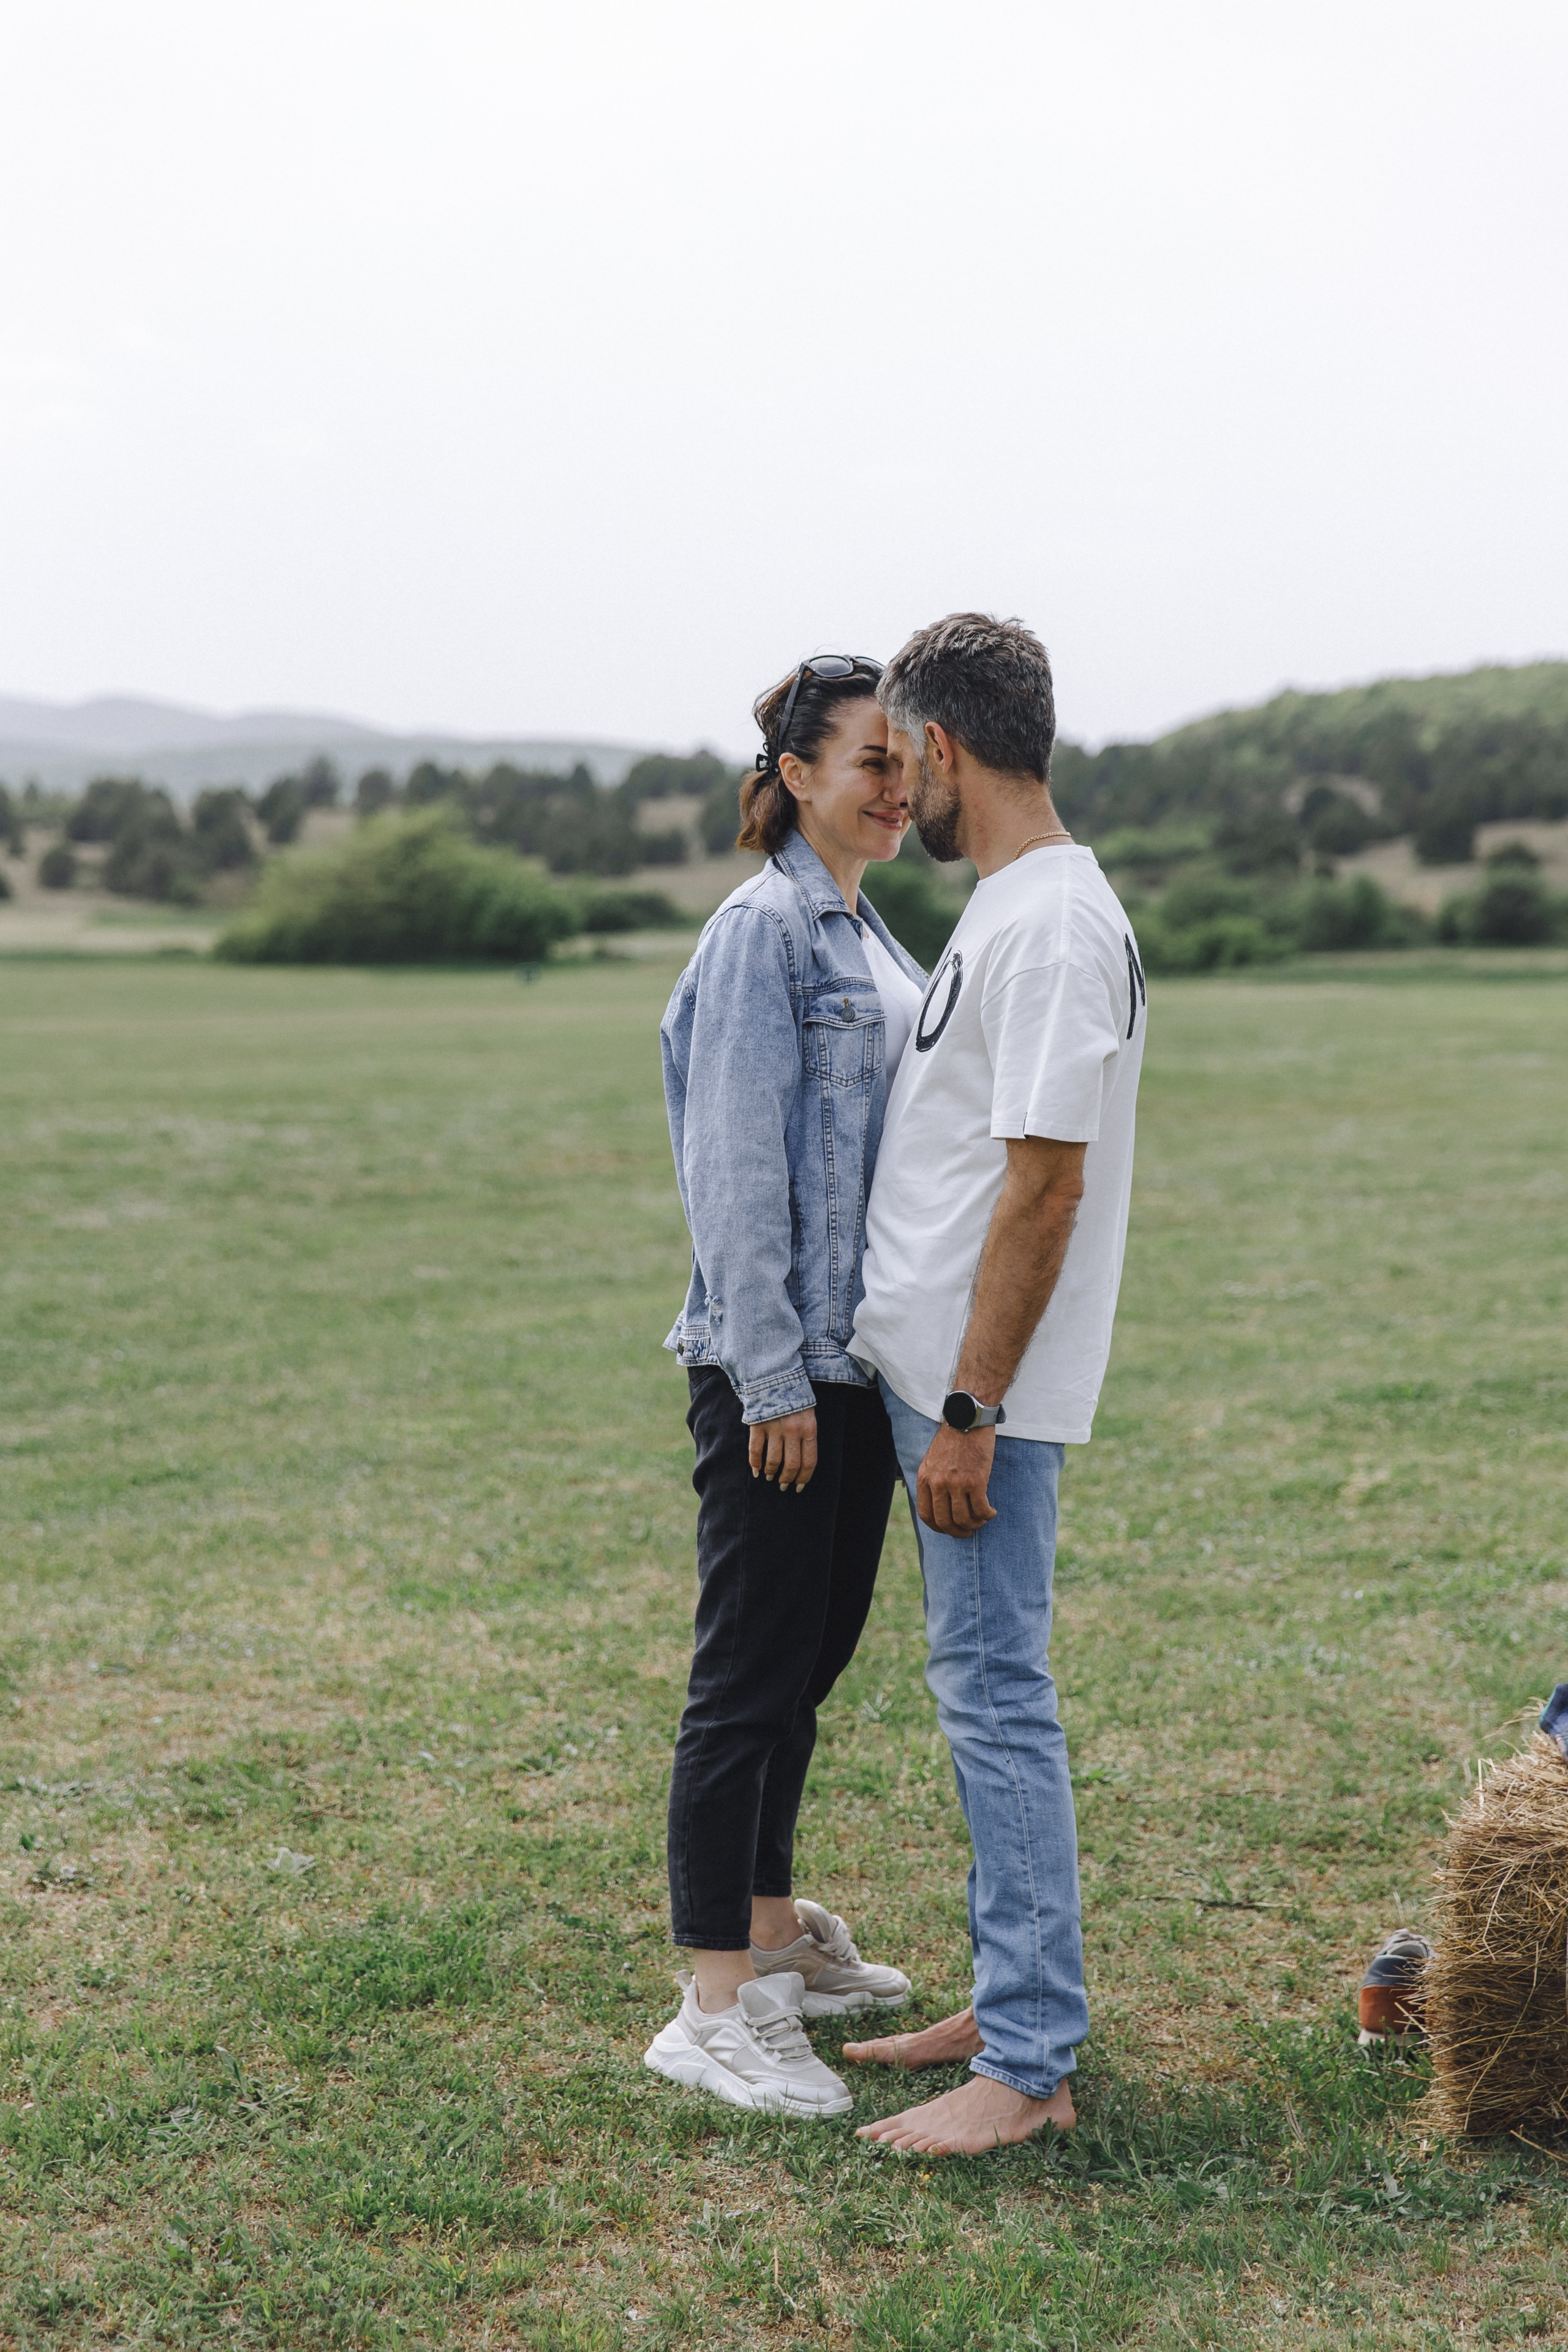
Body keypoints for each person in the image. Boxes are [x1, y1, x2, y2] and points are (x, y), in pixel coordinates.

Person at [841, 613, 1147, 2156]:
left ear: (946, 746)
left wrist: (969, 1412)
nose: (900, 789)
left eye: (904, 758)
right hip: (934, 1377)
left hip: (977, 1402)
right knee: (976, 1691)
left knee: (993, 1697)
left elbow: (1043, 1186)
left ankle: (1027, 2063)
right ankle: (1001, 1999)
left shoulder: (1052, 927)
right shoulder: (1011, 907)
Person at [644, 654, 930, 2119]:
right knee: (745, 1679)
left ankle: (768, 1935)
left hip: (854, 1365)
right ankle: (710, 2007)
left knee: (803, 1663)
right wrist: (769, 1384)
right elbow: (736, 1176)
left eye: (906, 762)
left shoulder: (864, 927)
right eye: (869, 761)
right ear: (797, 774)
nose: (896, 786)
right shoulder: (762, 934)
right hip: (781, 1371)